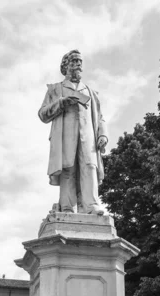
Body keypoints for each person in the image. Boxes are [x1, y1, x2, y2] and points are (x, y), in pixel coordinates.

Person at [38, 49, 108, 215]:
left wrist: (103, 134)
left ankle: (91, 206)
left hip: (88, 135)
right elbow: (42, 114)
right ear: (66, 65)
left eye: (80, 62)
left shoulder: (90, 91)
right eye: (74, 61)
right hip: (65, 135)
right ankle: (68, 208)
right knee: (67, 168)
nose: (78, 64)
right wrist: (61, 103)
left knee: (90, 166)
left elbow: (100, 117)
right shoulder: (55, 89)